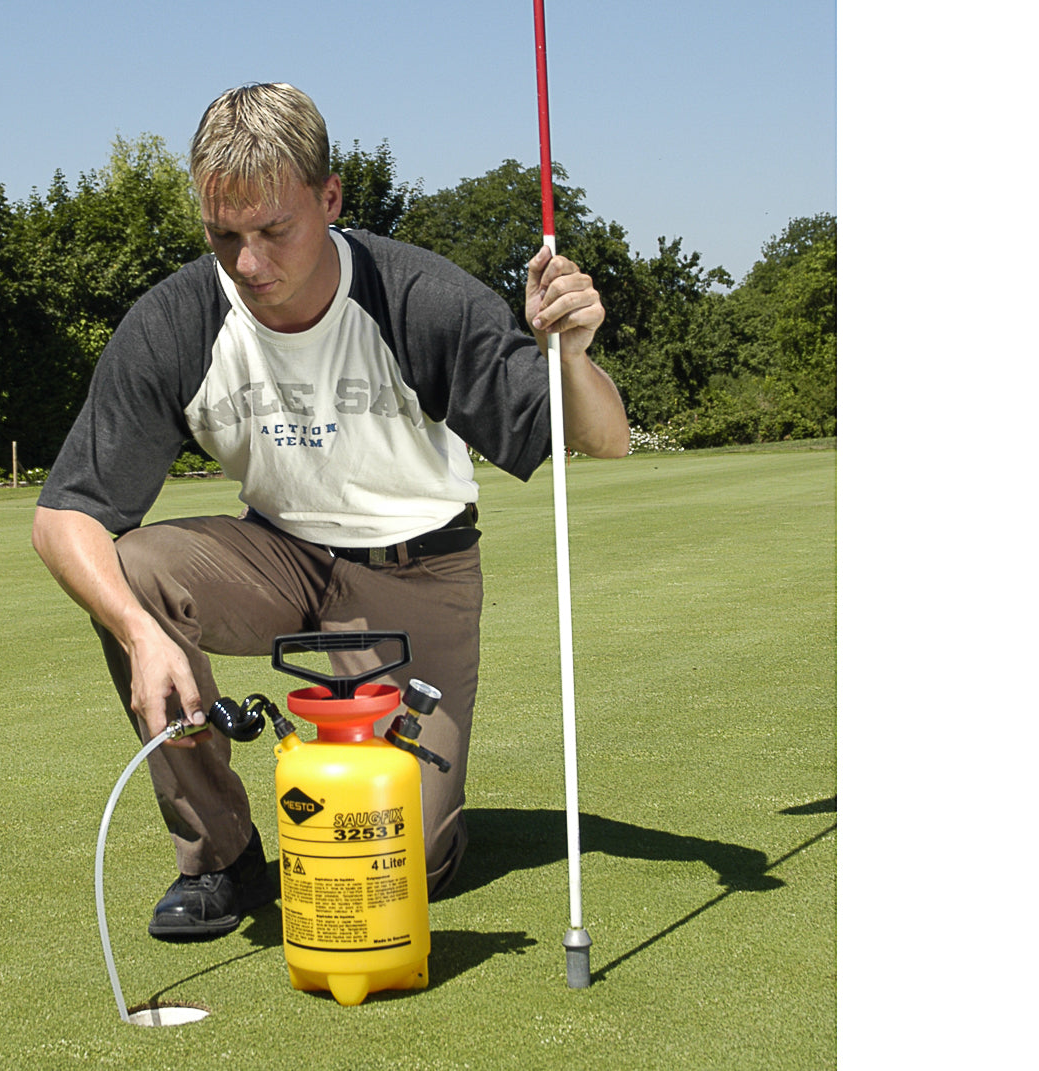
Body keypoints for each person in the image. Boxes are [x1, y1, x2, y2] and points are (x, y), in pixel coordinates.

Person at [32, 82, 629, 940]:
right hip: (277, 555)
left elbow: (599, 438)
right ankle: (221, 857)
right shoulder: (177, 320)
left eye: (274, 229)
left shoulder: (419, 297)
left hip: (417, 569)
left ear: (330, 197)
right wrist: (140, 632)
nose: (249, 263)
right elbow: (65, 517)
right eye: (224, 236)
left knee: (406, 859)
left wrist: (572, 352)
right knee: (128, 575)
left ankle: (431, 811)